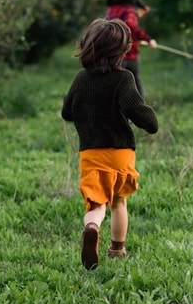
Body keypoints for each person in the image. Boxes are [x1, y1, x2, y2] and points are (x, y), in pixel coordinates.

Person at [61, 18, 159, 270]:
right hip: (120, 153)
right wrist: (151, 121)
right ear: (123, 51)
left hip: (90, 152)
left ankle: (92, 226)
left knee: (97, 202)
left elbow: (67, 112)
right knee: (118, 201)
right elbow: (137, 111)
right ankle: (117, 250)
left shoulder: (81, 79)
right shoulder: (123, 78)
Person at [105, 0, 157, 97]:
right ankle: (139, 110)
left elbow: (119, 22)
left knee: (115, 84)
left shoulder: (111, 11)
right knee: (135, 84)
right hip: (130, 54)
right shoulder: (129, 10)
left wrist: (137, 14)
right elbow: (130, 25)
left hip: (113, 54)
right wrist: (149, 39)